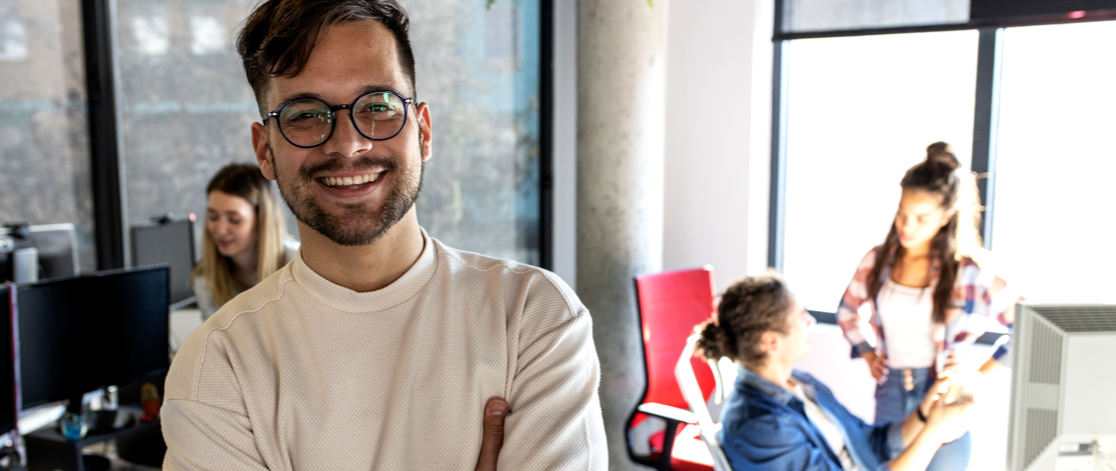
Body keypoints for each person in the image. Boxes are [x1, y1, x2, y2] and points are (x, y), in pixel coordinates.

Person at [160, 1, 606, 470]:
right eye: (304, 115)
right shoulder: (218, 363)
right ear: (265, 151)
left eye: (378, 107)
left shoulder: (531, 317)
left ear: (424, 131)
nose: (348, 144)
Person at [836, 142, 1021, 470]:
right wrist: (866, 353)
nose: (907, 226)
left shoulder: (972, 270)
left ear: (947, 216)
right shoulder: (877, 260)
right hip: (890, 392)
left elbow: (1030, 330)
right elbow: (848, 312)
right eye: (902, 213)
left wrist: (976, 376)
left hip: (945, 395)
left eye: (922, 218)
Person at [696, 274, 976, 471]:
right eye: (800, 316)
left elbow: (870, 443)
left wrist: (926, 414)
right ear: (771, 341)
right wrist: (933, 434)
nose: (811, 321)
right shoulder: (760, 426)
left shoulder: (802, 384)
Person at [191, 163, 298, 320]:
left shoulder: (299, 266)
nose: (220, 230)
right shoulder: (205, 279)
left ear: (262, 221)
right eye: (213, 217)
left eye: (234, 220)